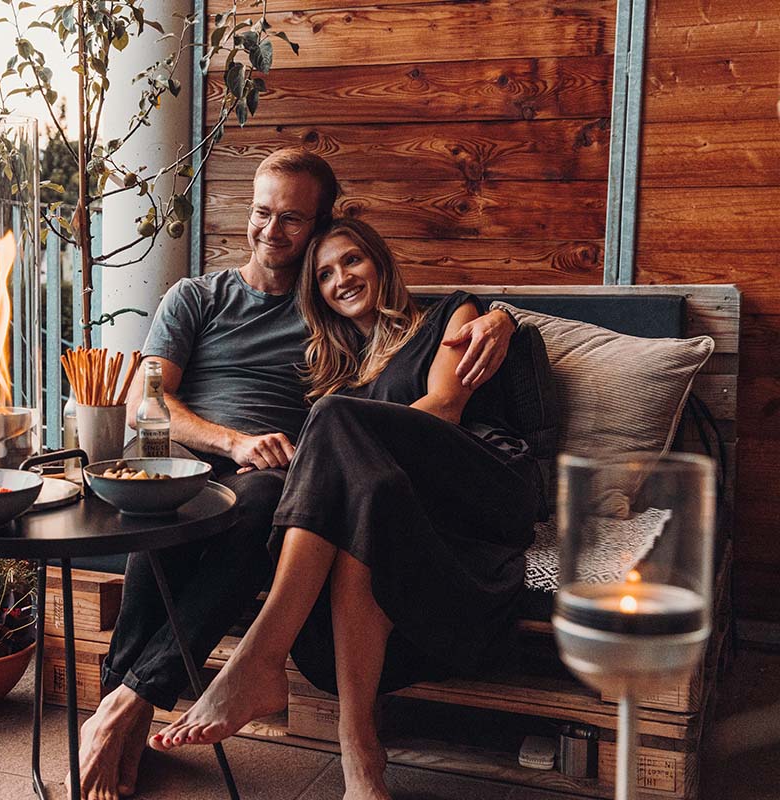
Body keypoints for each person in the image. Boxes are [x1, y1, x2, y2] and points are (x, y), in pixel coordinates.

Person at [74, 150, 518, 800]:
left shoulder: (330, 315)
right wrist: (233, 441)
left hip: (280, 477)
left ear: (318, 225)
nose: (271, 230)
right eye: (262, 212)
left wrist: (501, 315)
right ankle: (124, 710)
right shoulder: (196, 297)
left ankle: (130, 705)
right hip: (197, 457)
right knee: (161, 514)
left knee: (255, 505)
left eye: (291, 218)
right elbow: (149, 400)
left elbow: (414, 333)